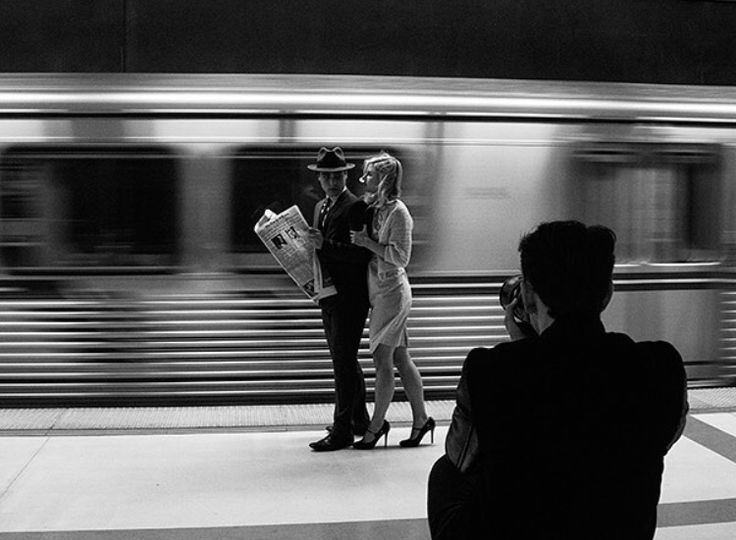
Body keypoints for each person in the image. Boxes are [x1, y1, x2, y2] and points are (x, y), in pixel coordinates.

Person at [427, 221, 688, 539]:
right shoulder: (661, 366)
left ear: (526, 292)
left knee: (443, 473)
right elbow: (662, 439)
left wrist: (522, 348)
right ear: (607, 292)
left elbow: (460, 456)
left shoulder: (490, 370)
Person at [349, 152, 434, 450]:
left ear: (383, 178)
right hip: (380, 291)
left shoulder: (399, 213)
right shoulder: (376, 208)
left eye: (369, 174)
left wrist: (367, 242)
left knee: (381, 360)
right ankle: (422, 419)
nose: (363, 179)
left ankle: (376, 426)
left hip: (393, 293)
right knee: (400, 357)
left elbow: (401, 257)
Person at [305, 147, 373, 452]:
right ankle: (360, 419)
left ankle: (343, 430)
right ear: (320, 179)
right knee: (344, 360)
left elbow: (363, 254)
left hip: (350, 297)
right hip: (329, 295)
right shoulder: (321, 208)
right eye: (326, 176)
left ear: (345, 176)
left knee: (342, 364)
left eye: (337, 175)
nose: (331, 181)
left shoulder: (356, 207)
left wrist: (325, 245)